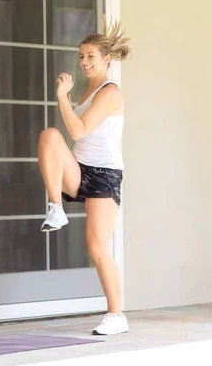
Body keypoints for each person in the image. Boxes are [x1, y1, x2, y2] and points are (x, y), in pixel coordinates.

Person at [37, 20, 131, 335]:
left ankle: (117, 315)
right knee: (49, 136)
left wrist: (63, 95)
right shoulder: (88, 89)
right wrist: (68, 96)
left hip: (104, 175)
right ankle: (55, 208)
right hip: (80, 168)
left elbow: (78, 130)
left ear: (106, 58)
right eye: (81, 56)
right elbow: (71, 136)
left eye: (90, 56)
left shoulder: (110, 91)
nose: (84, 62)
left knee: (96, 246)